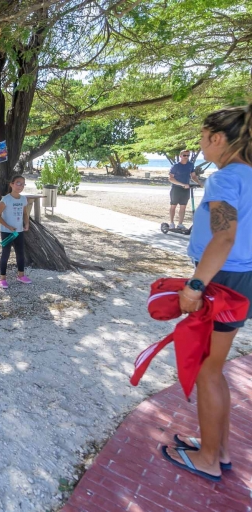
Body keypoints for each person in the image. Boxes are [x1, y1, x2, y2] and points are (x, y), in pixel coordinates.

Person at [161, 103, 252, 482]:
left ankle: (210, 458)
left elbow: (224, 235)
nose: (200, 145)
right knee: (214, 368)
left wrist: (195, 286)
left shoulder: (225, 177)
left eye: (202, 138)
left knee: (207, 370)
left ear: (218, 138)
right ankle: (219, 448)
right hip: (240, 279)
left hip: (221, 280)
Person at [0, 174, 31, 289]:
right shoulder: (6, 199)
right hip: (7, 232)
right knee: (6, 253)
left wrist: (27, 223)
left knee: (20, 253)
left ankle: (21, 275)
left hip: (18, 232)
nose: (20, 186)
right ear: (12, 184)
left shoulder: (23, 199)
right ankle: (2, 278)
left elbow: (25, 213)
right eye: (18, 183)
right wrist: (8, 226)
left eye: (22, 184)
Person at [169, 149, 204, 229]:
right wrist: (182, 184)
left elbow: (193, 176)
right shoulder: (176, 166)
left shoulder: (190, 165)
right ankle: (171, 223)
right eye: (184, 155)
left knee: (183, 206)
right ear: (180, 156)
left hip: (186, 188)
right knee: (173, 205)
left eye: (188, 155)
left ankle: (180, 224)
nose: (186, 157)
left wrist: (199, 183)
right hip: (176, 188)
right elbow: (171, 178)